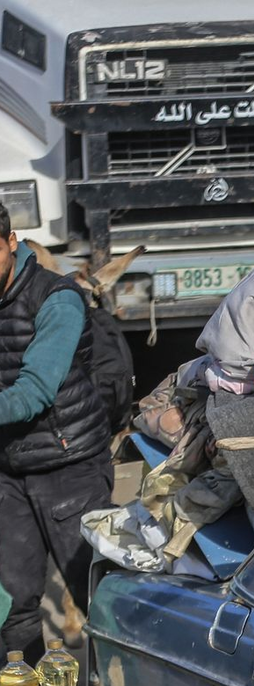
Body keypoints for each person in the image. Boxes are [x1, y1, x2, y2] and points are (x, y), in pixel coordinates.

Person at [0, 203, 113, 662]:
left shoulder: (56, 298)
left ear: (12, 243)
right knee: (12, 604)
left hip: (69, 467)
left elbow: (32, 394)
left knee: (100, 601)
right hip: (8, 470)